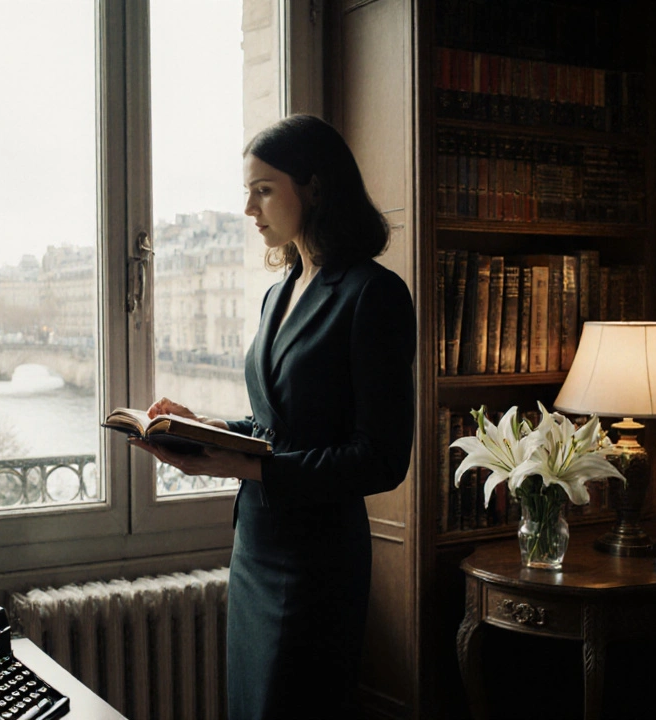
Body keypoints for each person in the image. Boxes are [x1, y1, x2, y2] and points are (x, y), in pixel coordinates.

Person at [129, 114, 416, 719]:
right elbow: (276, 425)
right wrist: (201, 427)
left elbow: (382, 458)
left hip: (319, 562)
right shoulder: (279, 290)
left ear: (313, 186)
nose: (248, 208)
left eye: (263, 189)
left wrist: (252, 470)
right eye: (247, 191)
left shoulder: (374, 294)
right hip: (255, 548)